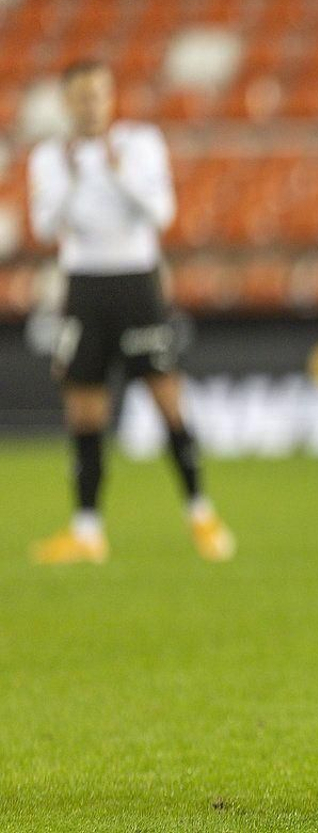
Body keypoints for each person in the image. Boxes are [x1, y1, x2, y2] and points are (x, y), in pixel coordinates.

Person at [26, 59, 234, 566]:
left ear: (111, 96)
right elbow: (45, 226)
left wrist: (117, 174)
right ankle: (87, 530)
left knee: (166, 399)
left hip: (137, 283)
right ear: (66, 102)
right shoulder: (51, 157)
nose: (91, 105)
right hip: (83, 286)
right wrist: (74, 178)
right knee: (84, 409)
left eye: (98, 94)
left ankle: (201, 512)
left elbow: (161, 213)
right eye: (81, 96)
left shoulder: (140, 144)